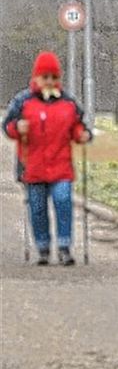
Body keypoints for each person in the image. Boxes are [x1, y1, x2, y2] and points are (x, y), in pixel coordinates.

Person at [3, 51, 91, 265]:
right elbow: (7, 127)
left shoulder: (68, 103)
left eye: (54, 77)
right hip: (32, 166)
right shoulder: (22, 102)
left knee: (63, 201)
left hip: (61, 165)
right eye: (45, 77)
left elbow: (78, 126)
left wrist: (82, 134)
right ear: (36, 78)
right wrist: (17, 127)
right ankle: (42, 247)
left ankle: (64, 247)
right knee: (37, 207)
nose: (50, 82)